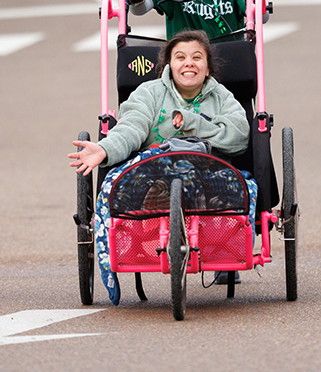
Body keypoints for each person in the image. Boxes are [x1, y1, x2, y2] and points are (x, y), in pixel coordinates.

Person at [69, 30, 254, 303]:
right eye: (180, 57)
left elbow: (238, 137)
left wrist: (193, 122)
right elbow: (131, 129)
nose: (188, 62)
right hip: (155, 166)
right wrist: (105, 149)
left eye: (196, 57)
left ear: (207, 68)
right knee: (130, 179)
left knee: (237, 182)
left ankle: (200, 224)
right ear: (169, 65)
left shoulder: (222, 97)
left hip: (204, 169)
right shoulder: (149, 93)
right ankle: (159, 196)